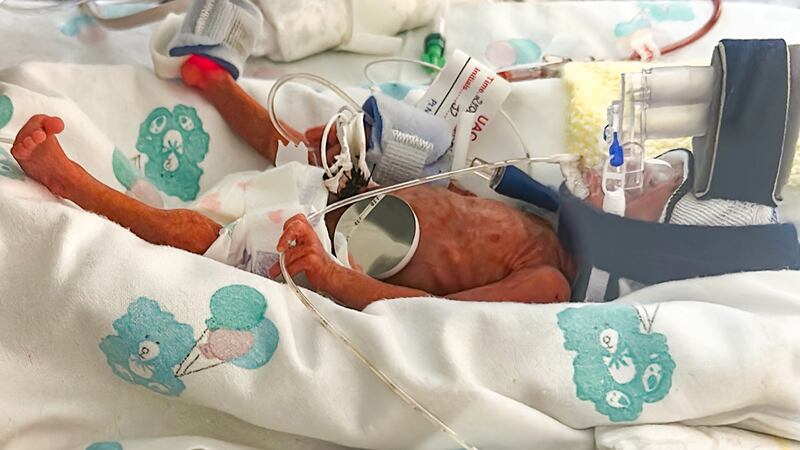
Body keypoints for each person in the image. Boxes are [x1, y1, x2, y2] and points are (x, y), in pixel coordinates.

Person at [10, 55, 576, 310]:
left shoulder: (547, 281)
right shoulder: (538, 210)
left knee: (196, 232)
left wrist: (330, 276)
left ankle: (70, 181)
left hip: (321, 248)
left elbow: (430, 310)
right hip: (350, 192)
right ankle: (216, 84)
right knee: (295, 142)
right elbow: (453, 185)